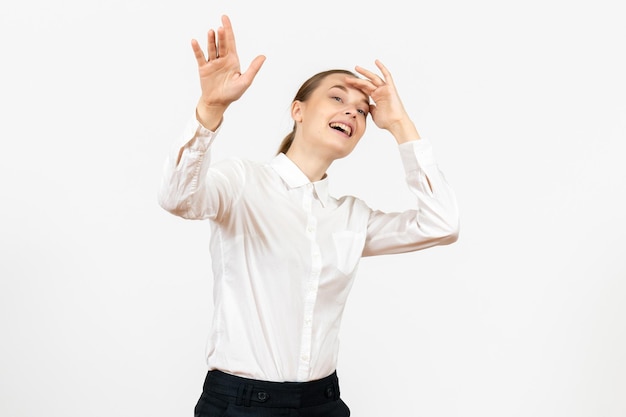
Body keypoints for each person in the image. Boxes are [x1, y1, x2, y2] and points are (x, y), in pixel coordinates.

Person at [158, 14, 460, 417]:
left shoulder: (352, 217)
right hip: (242, 405)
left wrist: (401, 125)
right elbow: (177, 197)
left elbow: (443, 224)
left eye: (363, 111)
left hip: (324, 403)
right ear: (297, 111)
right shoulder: (243, 182)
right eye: (337, 98)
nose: (353, 112)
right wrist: (210, 109)